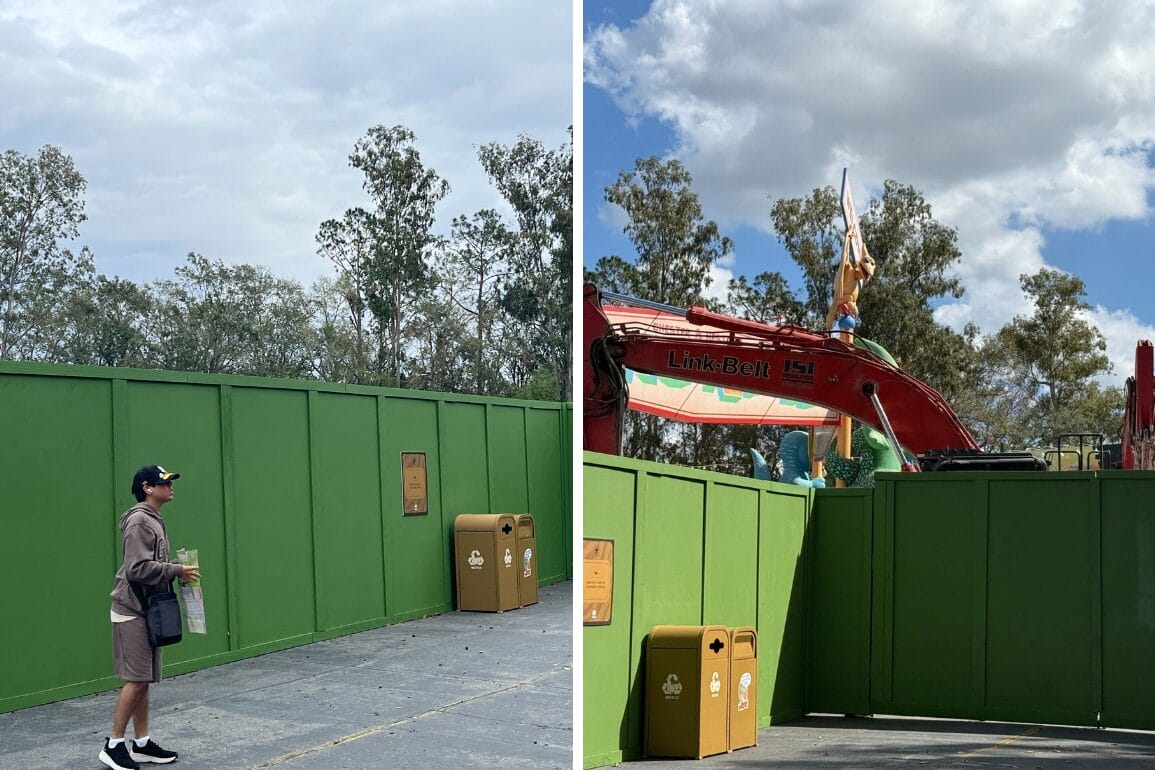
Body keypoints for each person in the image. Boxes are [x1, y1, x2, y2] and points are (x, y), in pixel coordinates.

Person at [99, 465, 199, 770]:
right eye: (164, 483)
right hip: (131, 611)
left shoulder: (154, 519)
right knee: (138, 679)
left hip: (146, 610)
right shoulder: (140, 522)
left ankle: (141, 744)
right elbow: (137, 569)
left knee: (144, 680)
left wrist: (175, 570)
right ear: (147, 487)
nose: (170, 487)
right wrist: (175, 570)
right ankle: (114, 744)